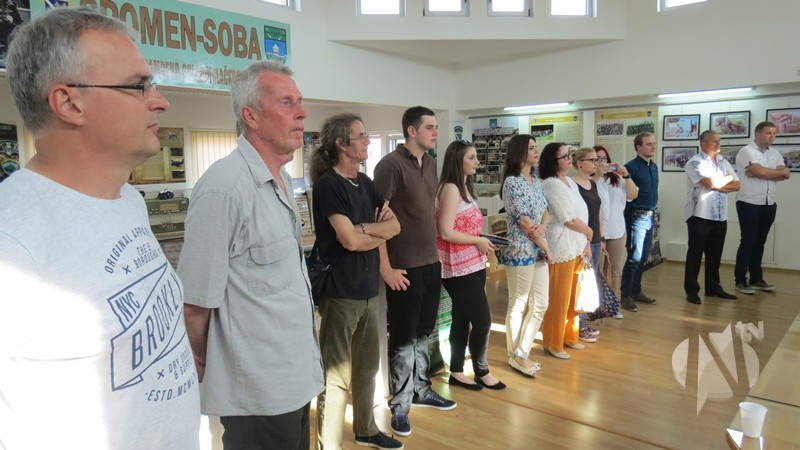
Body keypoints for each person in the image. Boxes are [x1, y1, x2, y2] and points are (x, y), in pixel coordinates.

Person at [0, 8, 200, 449]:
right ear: (69, 103)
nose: (160, 101)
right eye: (138, 86)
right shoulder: (11, 243)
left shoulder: (127, 200)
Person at [178, 61, 324, 450]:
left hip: (293, 379)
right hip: (257, 391)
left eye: (300, 101)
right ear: (251, 116)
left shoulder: (282, 179)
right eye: (287, 102)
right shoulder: (225, 188)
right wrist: (207, 361)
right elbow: (195, 303)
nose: (302, 112)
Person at [309, 113, 403, 450]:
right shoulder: (328, 185)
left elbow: (394, 227)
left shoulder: (365, 182)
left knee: (367, 368)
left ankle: (366, 429)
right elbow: (348, 241)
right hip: (340, 293)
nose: (367, 141)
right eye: (361, 136)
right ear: (341, 143)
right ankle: (329, 445)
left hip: (368, 291)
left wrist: (364, 230)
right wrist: (370, 232)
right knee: (336, 378)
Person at [373, 106, 456, 438]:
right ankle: (401, 405)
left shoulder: (431, 163)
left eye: (436, 127)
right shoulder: (390, 166)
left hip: (430, 262)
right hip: (403, 266)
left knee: (423, 332)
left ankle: (421, 389)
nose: (436, 132)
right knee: (404, 337)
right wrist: (386, 267)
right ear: (411, 130)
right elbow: (377, 221)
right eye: (430, 127)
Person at [436, 139, 506, 391]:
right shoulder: (450, 189)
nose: (477, 162)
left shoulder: (464, 188)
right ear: (458, 161)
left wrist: (482, 239)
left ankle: (456, 370)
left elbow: (465, 228)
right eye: (472, 157)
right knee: (483, 320)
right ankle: (482, 371)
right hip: (456, 267)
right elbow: (445, 232)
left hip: (473, 263)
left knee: (462, 318)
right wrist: (478, 240)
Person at [499, 134, 552, 377]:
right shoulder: (512, 182)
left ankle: (521, 352)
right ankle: (516, 356)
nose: (535, 151)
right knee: (518, 303)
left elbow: (546, 212)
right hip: (520, 249)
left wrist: (543, 227)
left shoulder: (537, 181)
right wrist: (546, 246)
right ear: (519, 152)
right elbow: (523, 221)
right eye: (531, 148)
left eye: (536, 147)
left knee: (541, 303)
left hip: (538, 248)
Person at [539, 143, 592, 360]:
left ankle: (570, 336)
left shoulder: (569, 181)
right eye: (564, 156)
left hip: (577, 245)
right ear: (553, 161)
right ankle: (553, 342)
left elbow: (580, 213)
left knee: (572, 297)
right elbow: (567, 217)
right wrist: (588, 231)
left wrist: (586, 240)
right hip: (562, 246)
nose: (569, 158)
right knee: (559, 298)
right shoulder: (551, 184)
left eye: (569, 154)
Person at [683, 130, 740, 304]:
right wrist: (726, 178)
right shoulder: (695, 163)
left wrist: (719, 183)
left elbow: (737, 185)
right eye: (714, 141)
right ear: (703, 143)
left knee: (715, 255)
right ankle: (692, 290)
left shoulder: (723, 162)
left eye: (719, 140)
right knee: (695, 255)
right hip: (699, 215)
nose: (718, 144)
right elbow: (710, 183)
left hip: (720, 217)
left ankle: (713, 288)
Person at [733, 121, 790, 294]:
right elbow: (763, 172)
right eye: (768, 133)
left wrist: (761, 173)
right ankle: (740, 280)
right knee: (749, 241)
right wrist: (765, 172)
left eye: (774, 133)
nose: (772, 136)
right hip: (749, 202)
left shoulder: (775, 153)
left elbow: (786, 174)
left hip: (769, 203)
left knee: (760, 242)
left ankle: (756, 279)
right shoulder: (747, 151)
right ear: (758, 134)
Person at [593, 145, 638, 315]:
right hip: (597, 232)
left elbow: (633, 195)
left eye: (604, 158)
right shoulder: (590, 180)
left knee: (615, 270)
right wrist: (597, 175)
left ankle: (613, 305)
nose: (601, 162)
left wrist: (626, 175)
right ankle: (597, 306)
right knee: (597, 270)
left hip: (617, 229)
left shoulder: (618, 179)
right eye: (597, 159)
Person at [620, 132, 660, 312]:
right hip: (636, 215)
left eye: (654, 143)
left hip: (650, 215)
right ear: (638, 147)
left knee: (643, 257)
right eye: (649, 144)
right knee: (634, 257)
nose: (653, 146)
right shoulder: (631, 167)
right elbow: (627, 195)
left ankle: (636, 291)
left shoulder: (653, 167)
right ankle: (625, 295)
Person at [571, 147, 603, 344]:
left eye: (596, 160)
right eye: (592, 160)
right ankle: (578, 326)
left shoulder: (592, 184)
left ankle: (582, 323)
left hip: (595, 239)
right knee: (580, 284)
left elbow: (597, 214)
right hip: (582, 241)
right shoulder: (572, 185)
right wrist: (586, 240)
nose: (595, 163)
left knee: (590, 283)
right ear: (580, 163)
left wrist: (601, 238)